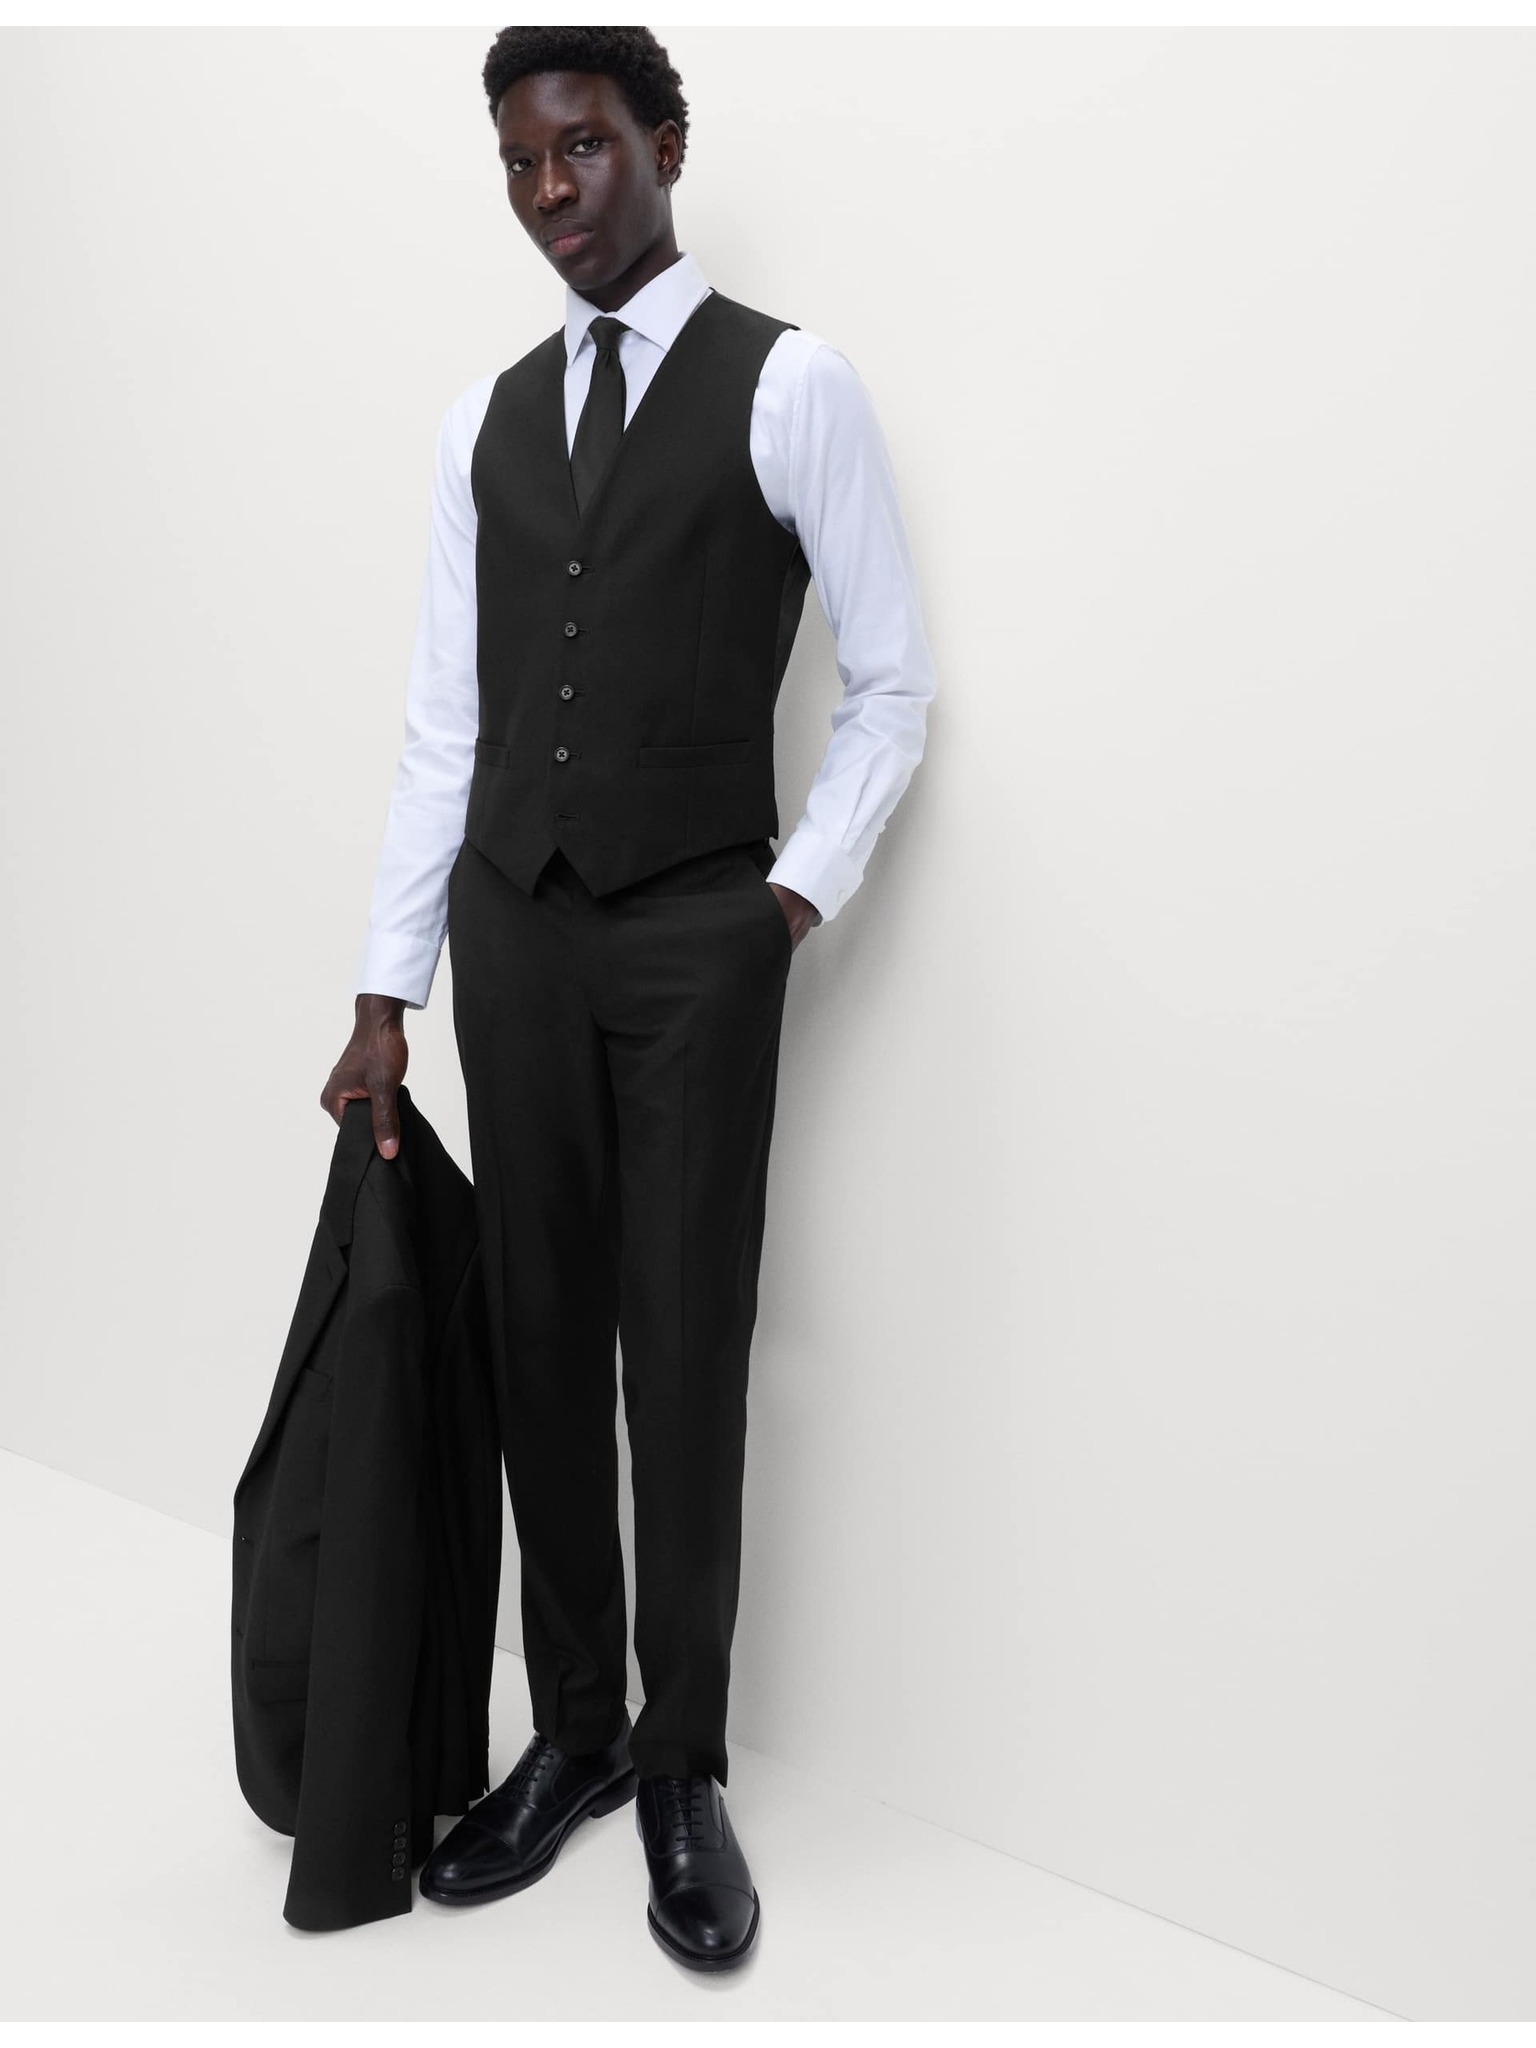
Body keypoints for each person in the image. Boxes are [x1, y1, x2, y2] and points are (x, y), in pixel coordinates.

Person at [320, 25, 936, 1972]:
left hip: (697, 936)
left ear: (666, 142)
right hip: (511, 928)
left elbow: (894, 683)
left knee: (681, 1347)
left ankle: (682, 1760)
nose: (552, 192)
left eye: (582, 147)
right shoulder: (484, 421)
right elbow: (447, 721)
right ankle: (575, 1731)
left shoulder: (790, 382)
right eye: (522, 163)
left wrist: (787, 901)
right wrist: (387, 986)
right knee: (536, 1333)